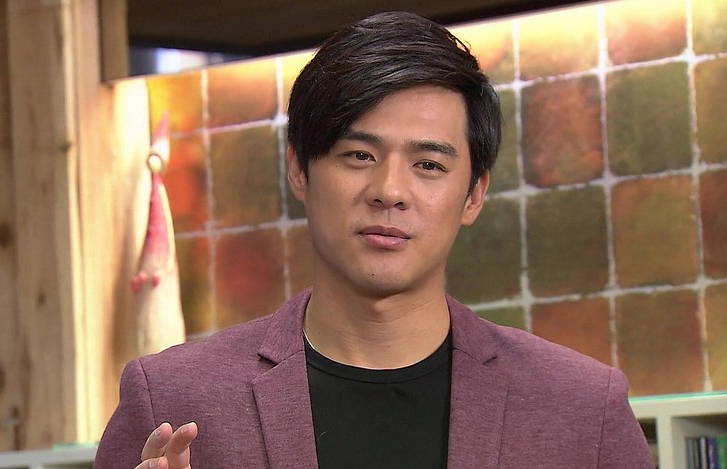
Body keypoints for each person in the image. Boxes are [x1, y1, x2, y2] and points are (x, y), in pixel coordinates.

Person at [95, 11, 653, 469]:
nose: (390, 191)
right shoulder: (170, 400)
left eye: (429, 164)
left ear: (474, 195)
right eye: (359, 155)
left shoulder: (584, 410)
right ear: (299, 170)